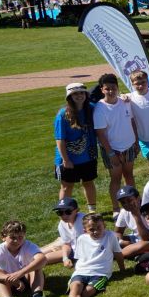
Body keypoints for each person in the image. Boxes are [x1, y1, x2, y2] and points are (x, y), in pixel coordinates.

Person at [53, 213, 124, 297]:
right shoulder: (81, 239)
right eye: (91, 229)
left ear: (104, 225)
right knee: (75, 287)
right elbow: (80, 258)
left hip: (100, 273)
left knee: (87, 292)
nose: (95, 231)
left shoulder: (110, 236)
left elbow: (118, 254)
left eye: (98, 228)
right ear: (85, 230)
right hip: (82, 271)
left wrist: (122, 270)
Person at [54, 83, 98, 212]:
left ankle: (92, 210)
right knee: (67, 186)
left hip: (88, 155)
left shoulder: (91, 108)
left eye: (81, 93)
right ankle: (63, 211)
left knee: (88, 183)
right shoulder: (63, 115)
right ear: (69, 97)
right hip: (68, 158)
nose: (79, 96)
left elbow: (108, 105)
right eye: (75, 94)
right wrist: (66, 160)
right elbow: (60, 139)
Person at [0, 221, 47, 297]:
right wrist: (10, 278)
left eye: (20, 237)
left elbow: (42, 259)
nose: (17, 241)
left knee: (36, 267)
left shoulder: (28, 245)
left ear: (24, 236)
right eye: (12, 238)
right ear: (3, 237)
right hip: (8, 283)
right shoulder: (0, 250)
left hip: (26, 278)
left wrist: (20, 273)